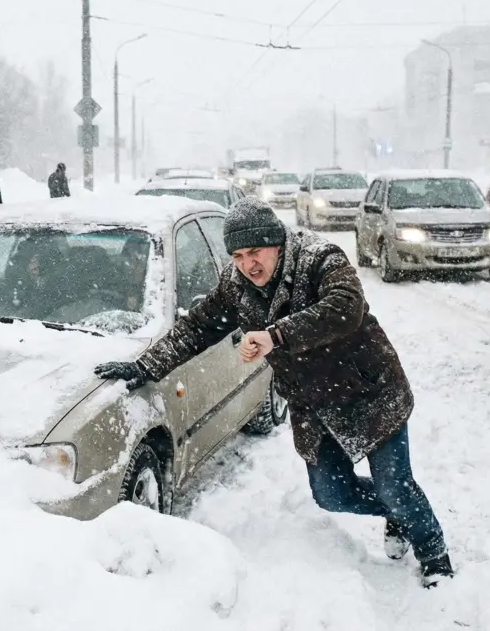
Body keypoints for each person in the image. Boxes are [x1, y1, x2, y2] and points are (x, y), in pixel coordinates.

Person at [94, 198, 454, 589]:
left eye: (255, 252)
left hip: (368, 390)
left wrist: (276, 335)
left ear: (277, 243)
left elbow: (346, 307)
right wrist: (146, 366)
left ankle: (434, 552)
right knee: (331, 494)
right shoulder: (237, 286)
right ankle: (398, 512)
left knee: (394, 485)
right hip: (313, 403)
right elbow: (197, 327)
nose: (248, 264)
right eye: (238, 255)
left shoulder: (319, 259)